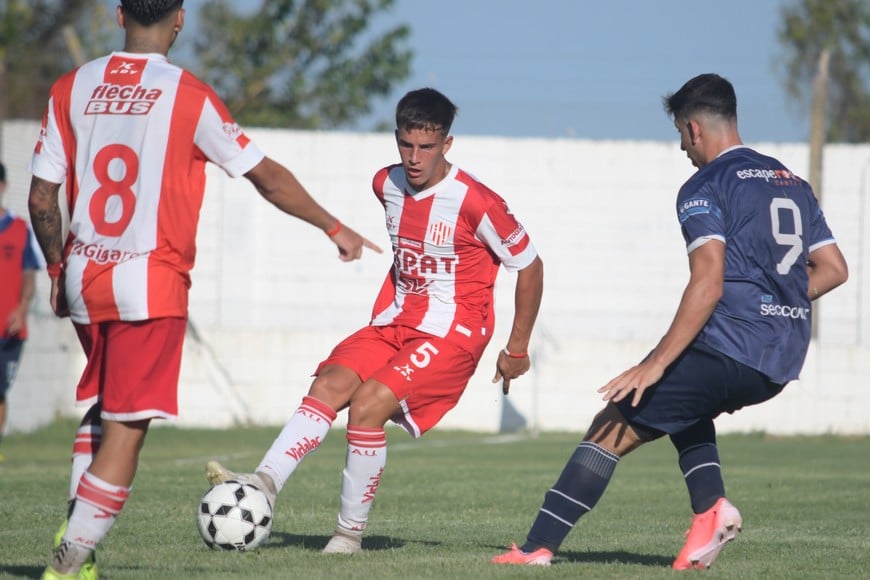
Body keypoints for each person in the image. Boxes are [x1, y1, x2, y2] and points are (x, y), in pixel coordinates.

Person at [27, 2, 380, 578]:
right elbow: (265, 177)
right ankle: (69, 562)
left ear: (119, 15)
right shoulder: (188, 95)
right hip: (151, 283)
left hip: (84, 279)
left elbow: (42, 198)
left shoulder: (73, 85)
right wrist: (333, 226)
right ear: (180, 18)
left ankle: (78, 543)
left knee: (103, 407)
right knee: (125, 429)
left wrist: (56, 269)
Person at [491, 73, 848, 570]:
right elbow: (833, 269)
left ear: (695, 128)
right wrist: (773, 299)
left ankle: (535, 549)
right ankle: (710, 511)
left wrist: (653, 364)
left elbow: (707, 283)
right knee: (684, 406)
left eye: (681, 134)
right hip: (782, 354)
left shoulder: (705, 184)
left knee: (612, 421)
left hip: (732, 346)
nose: (682, 147)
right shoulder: (792, 181)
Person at [206, 87, 545, 554]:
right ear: (396, 139)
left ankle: (347, 536)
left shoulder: (477, 202)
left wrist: (517, 349)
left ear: (447, 144)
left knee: (367, 405)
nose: (414, 157)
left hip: (453, 332)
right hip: (394, 323)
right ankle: (264, 483)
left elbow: (530, 265)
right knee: (328, 384)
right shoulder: (384, 184)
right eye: (406, 144)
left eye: (426, 147)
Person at [0, 161, 42, 464]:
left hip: (9, 328)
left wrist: (22, 307)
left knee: (0, 390)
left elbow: (30, 274)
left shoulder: (19, 230)